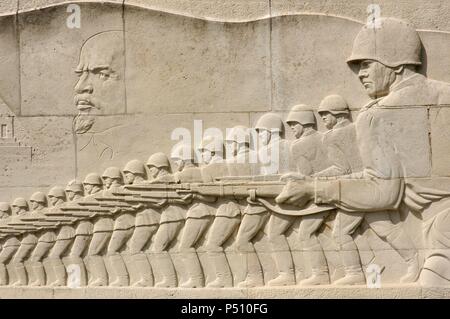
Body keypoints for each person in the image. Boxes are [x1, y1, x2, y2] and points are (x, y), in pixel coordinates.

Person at [275, 18, 446, 285]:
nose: (360, 74)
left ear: (395, 61)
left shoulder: (376, 115)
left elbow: (383, 193)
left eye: (366, 64)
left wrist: (313, 189)